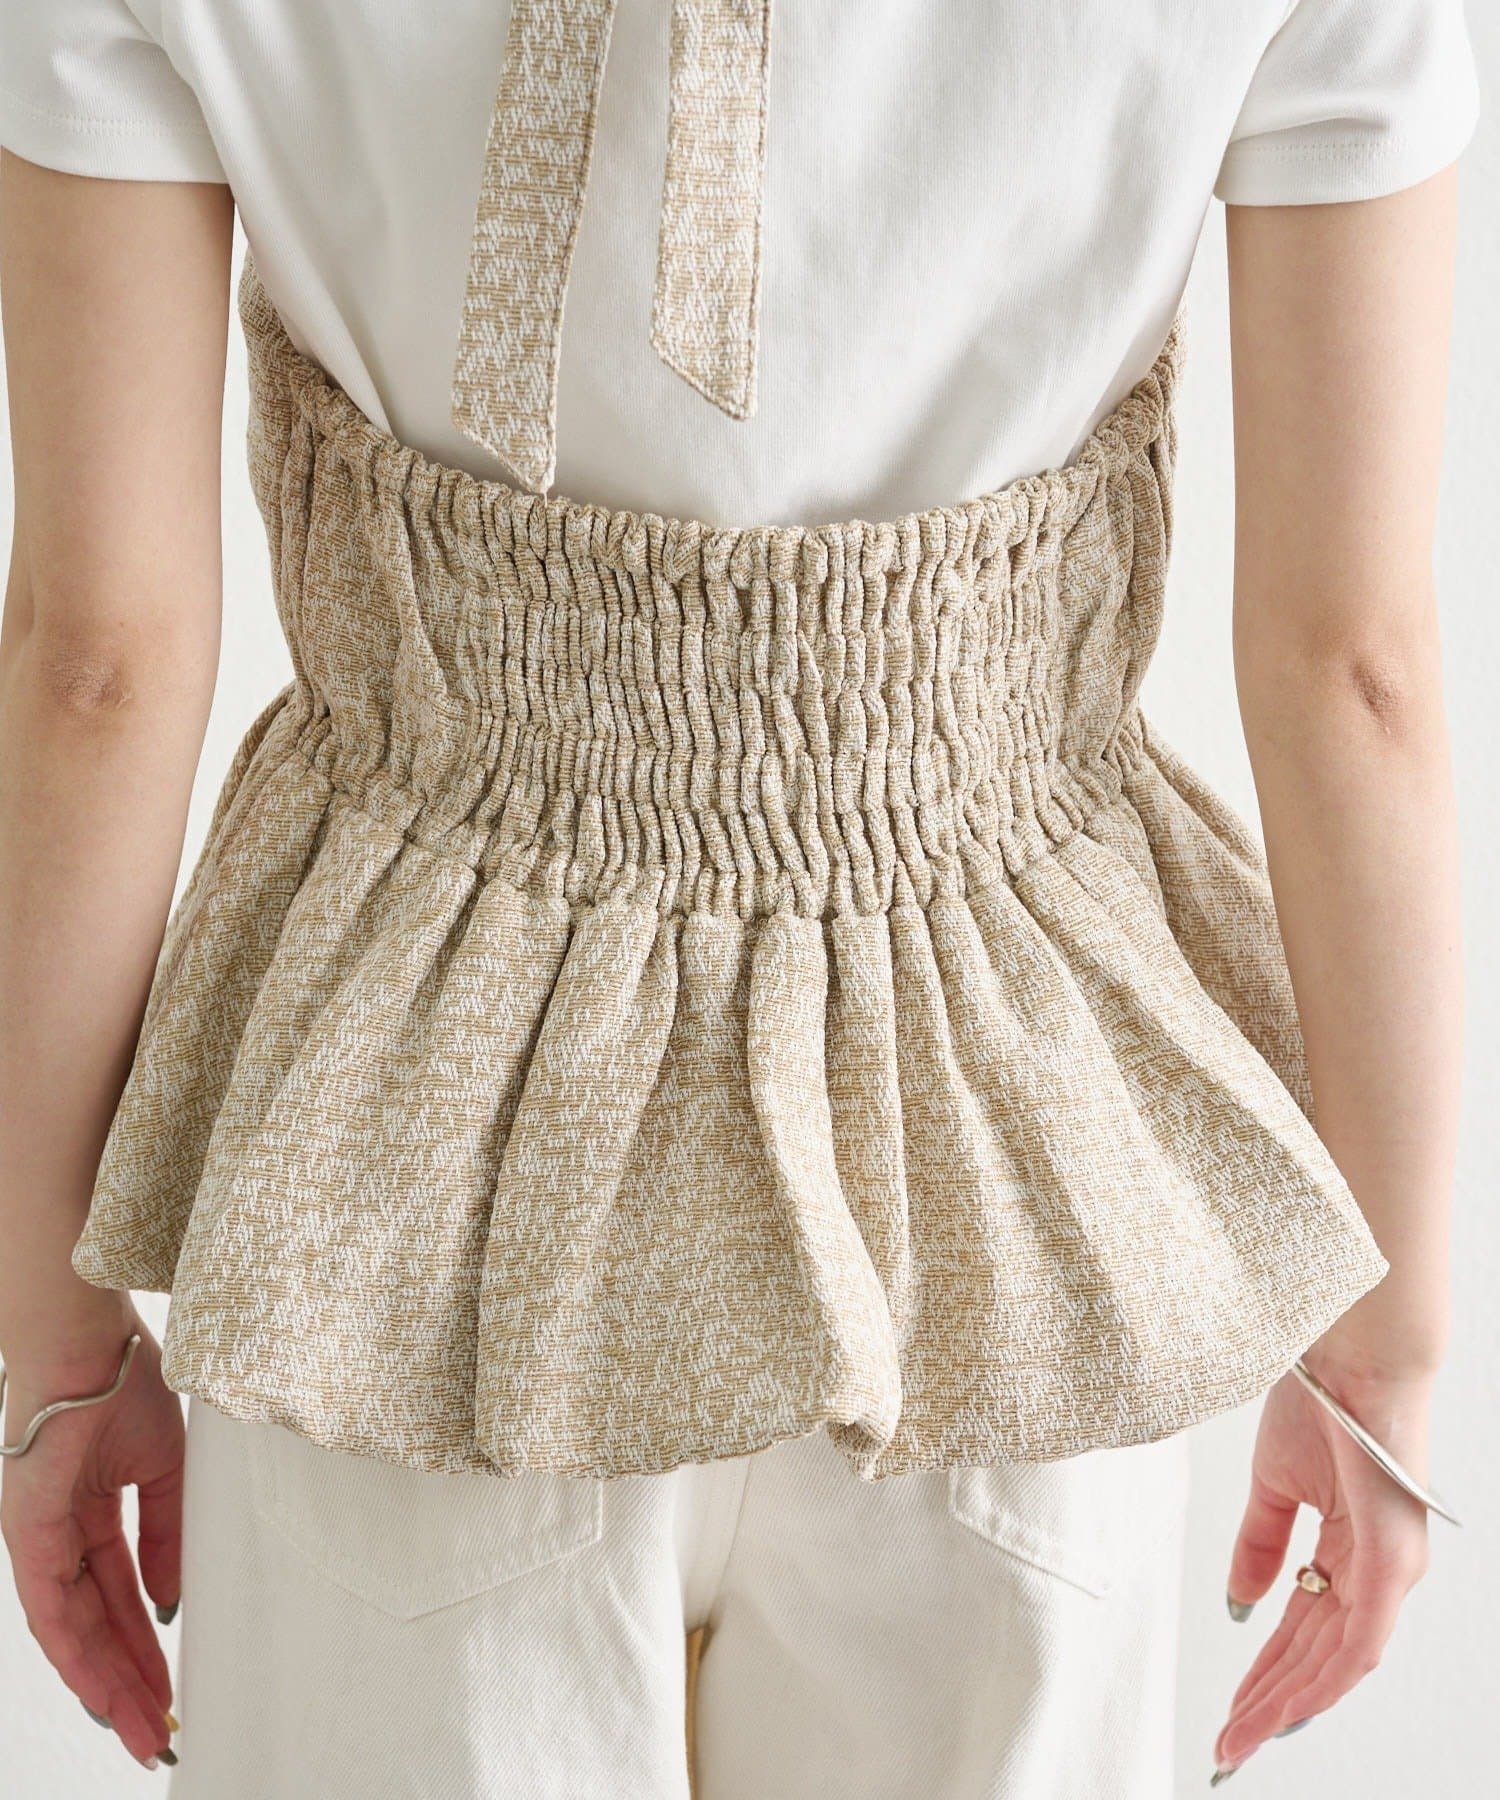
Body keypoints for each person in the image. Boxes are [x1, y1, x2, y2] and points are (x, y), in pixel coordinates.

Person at [0, 3, 1479, 1795]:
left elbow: (94, 664)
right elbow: (1354, 671)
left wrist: (52, 1341)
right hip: (1002, 1190)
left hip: (411, 1187)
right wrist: (1382, 1356)